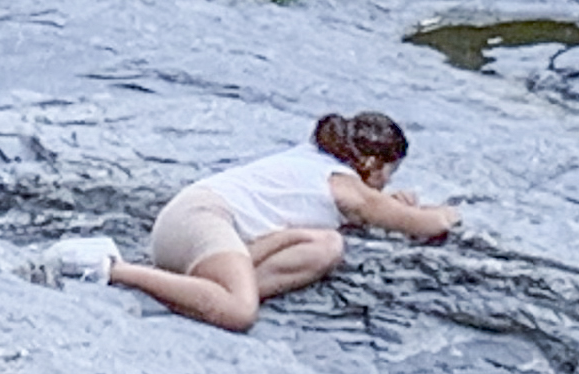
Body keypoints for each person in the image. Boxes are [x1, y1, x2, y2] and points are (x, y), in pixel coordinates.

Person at [49, 112, 459, 331]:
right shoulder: (345, 188)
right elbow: (423, 225)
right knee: (239, 312)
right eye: (389, 174)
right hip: (203, 219)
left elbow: (370, 208)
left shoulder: (320, 166)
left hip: (199, 225)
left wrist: (387, 201)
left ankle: (193, 293)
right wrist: (446, 213)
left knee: (325, 247)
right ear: (372, 163)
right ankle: (112, 269)